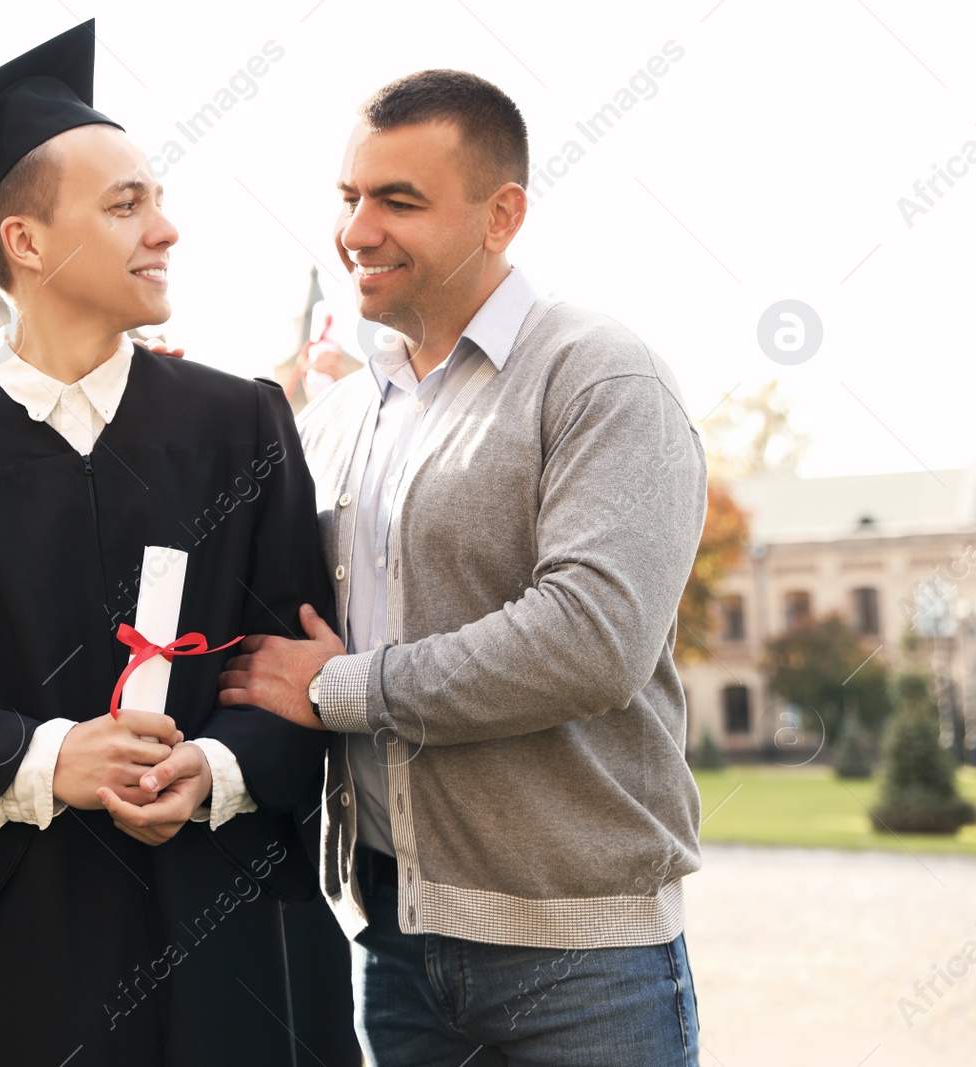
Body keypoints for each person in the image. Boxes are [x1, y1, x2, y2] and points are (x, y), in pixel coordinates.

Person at [0, 22, 358, 1067]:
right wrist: (46, 759)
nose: (166, 228)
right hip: (18, 972)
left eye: (154, 198)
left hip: (230, 948)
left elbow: (302, 673)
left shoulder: (238, 424)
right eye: (126, 204)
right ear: (26, 242)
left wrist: (212, 767)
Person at [220, 70, 708, 1065]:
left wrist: (339, 688)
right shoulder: (344, 413)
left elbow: (591, 639)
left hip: (581, 962)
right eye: (349, 197)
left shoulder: (595, 372)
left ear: (502, 214)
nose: (358, 230)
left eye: (399, 201)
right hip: (396, 945)